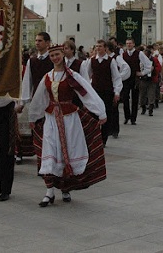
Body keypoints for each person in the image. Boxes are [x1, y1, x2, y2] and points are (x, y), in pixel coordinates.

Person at [29, 44, 107, 207]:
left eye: (57, 55)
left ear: (62, 55)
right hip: (51, 119)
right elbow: (39, 98)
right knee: (50, 151)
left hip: (69, 119)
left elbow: (87, 93)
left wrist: (100, 112)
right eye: (52, 56)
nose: (55, 58)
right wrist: (34, 116)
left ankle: (65, 188)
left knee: (67, 153)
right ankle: (49, 192)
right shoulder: (48, 77)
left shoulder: (72, 76)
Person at [15, 32, 53, 164]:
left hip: (51, 99)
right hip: (36, 100)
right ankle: (41, 161)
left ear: (48, 43)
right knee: (37, 131)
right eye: (36, 40)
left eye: (40, 41)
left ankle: (51, 159)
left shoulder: (53, 59)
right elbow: (27, 82)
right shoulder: (32, 61)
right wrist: (23, 102)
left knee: (51, 131)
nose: (37, 43)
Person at [81, 39, 122, 145]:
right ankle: (94, 136)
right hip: (95, 91)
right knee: (93, 114)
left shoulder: (110, 61)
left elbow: (116, 77)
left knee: (106, 114)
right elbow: (86, 75)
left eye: (100, 46)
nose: (98, 48)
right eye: (96, 46)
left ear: (105, 48)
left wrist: (117, 92)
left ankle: (103, 139)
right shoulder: (92, 60)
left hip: (107, 91)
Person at [120, 38, 152, 125]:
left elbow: (148, 64)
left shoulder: (139, 53)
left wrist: (142, 73)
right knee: (125, 98)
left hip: (135, 78)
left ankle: (133, 118)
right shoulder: (123, 54)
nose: (128, 45)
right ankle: (127, 117)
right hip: (126, 79)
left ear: (134, 44)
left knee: (135, 98)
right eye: (127, 43)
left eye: (130, 43)